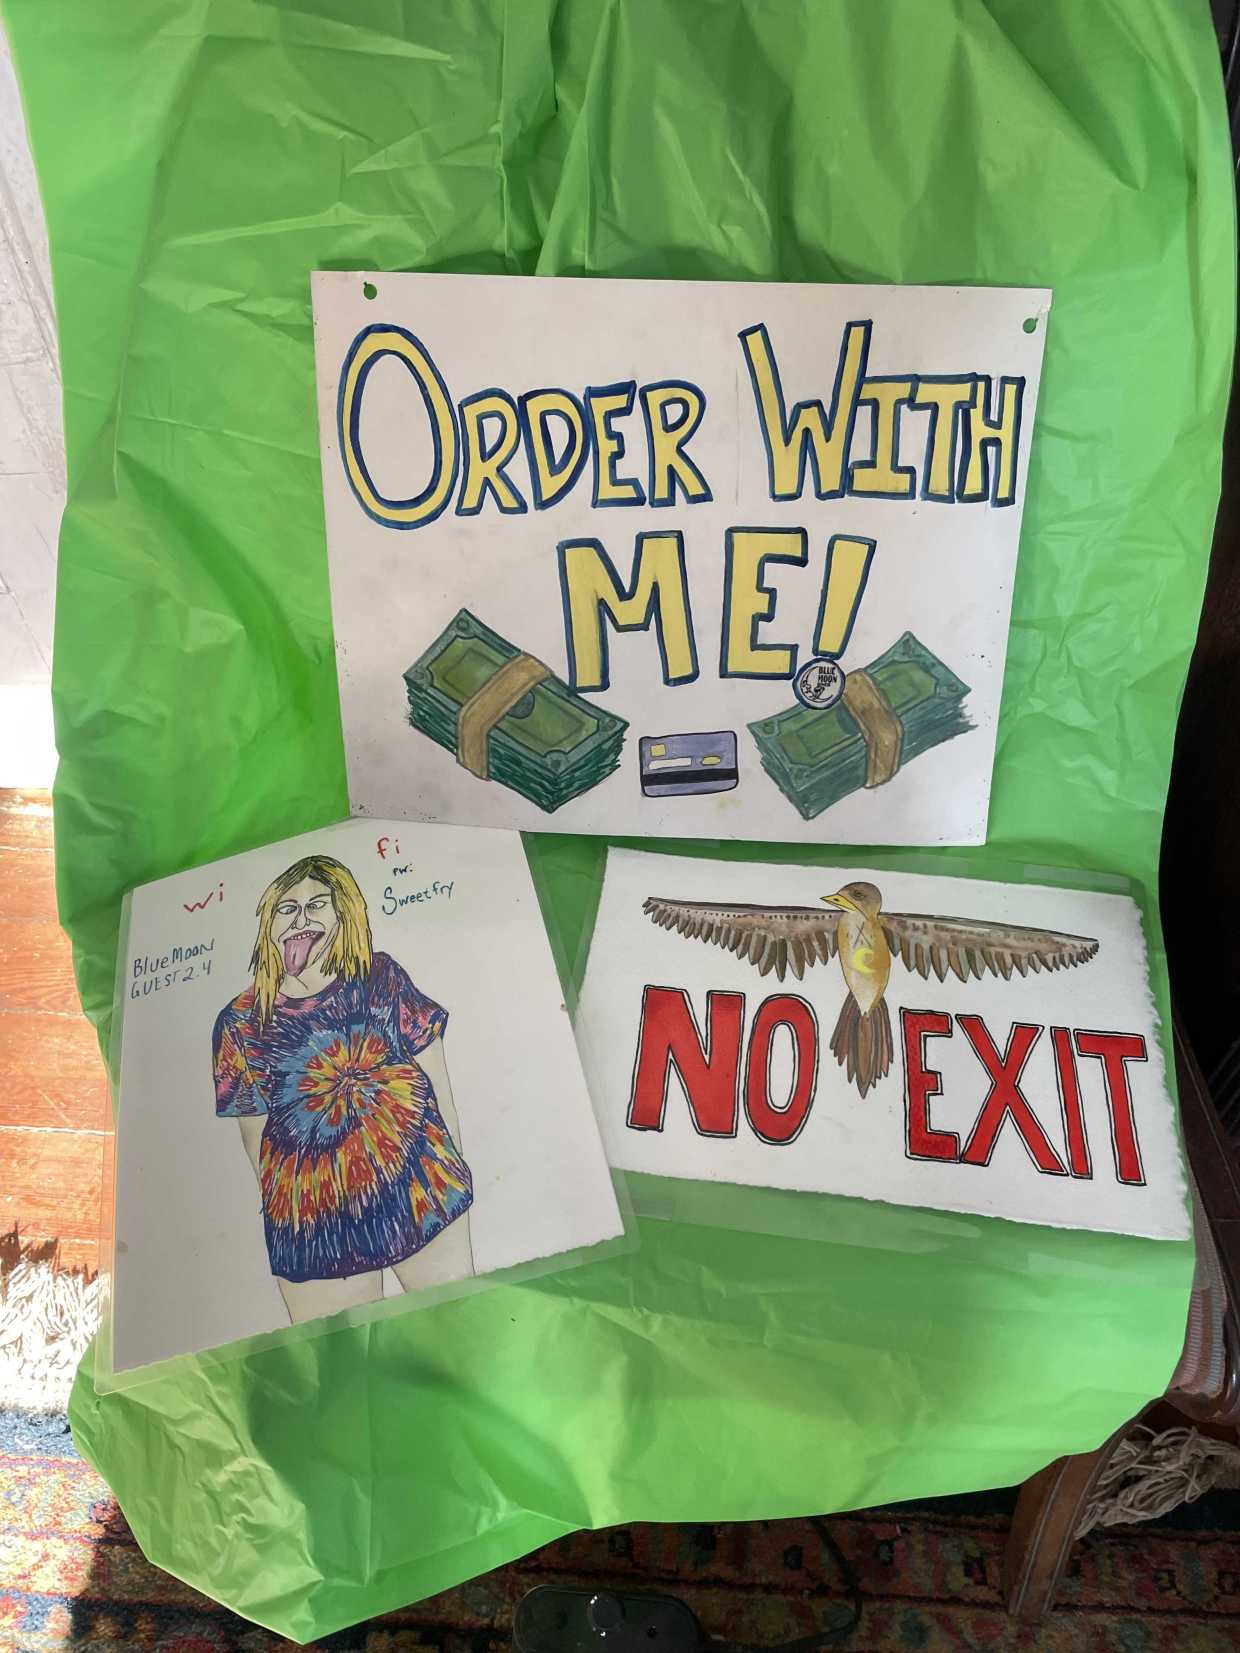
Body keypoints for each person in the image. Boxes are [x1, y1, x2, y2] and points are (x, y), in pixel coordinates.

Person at [211, 853, 474, 1323]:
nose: (300, 919)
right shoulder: (240, 1021)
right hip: (314, 1222)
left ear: (343, 915)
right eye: (287, 908)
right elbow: (255, 1142)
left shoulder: (381, 976)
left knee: (457, 1329)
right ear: (269, 924)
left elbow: (438, 1083)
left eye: (316, 904)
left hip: (418, 1186)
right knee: (343, 1358)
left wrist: (451, 1168)